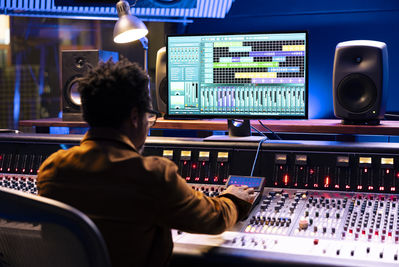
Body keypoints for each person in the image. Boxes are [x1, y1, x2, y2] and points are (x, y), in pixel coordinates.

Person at [37, 58, 254, 267]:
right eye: (148, 115)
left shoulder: (51, 169)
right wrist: (233, 199)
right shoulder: (152, 175)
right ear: (134, 117)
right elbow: (213, 219)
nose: (148, 125)